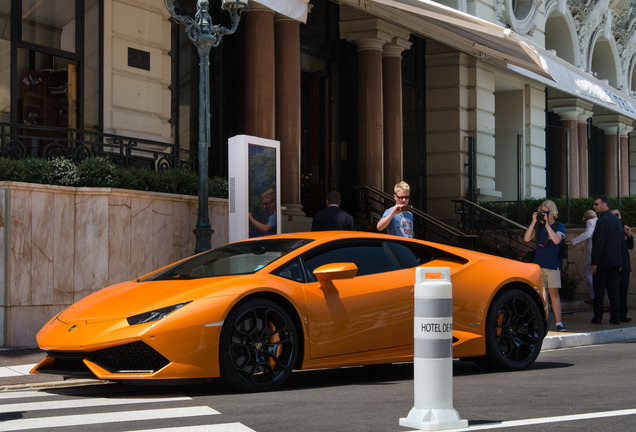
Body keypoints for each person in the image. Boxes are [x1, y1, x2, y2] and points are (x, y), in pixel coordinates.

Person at [524, 200, 567, 332]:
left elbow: (556, 240)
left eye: (546, 212)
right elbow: (526, 238)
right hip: (539, 265)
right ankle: (543, 321)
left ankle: (559, 323)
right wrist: (533, 221)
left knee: (554, 293)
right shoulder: (538, 226)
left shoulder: (559, 226)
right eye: (542, 211)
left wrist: (547, 224)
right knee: (543, 295)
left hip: (552, 264)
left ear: (552, 212)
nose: (544, 214)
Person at [589, 195, 623, 325]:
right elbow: (620, 243)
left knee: (599, 291)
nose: (594, 206)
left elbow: (598, 244)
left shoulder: (601, 221)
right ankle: (615, 317)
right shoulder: (617, 221)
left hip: (603, 263)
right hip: (615, 262)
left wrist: (594, 263)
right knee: (613, 290)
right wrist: (620, 262)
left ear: (605, 204)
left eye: (596, 204)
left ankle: (598, 317)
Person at [570, 209, 597, 305]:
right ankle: (595, 296)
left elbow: (588, 234)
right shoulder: (599, 221)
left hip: (592, 252)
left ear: (588, 218)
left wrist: (573, 241)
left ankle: (595, 297)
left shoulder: (590, 221)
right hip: (599, 252)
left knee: (587, 273)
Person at [610, 208, 633, 323]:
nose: (615, 217)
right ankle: (616, 315)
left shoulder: (624, 230)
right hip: (615, 265)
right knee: (615, 291)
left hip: (625, 265)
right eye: (613, 215)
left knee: (623, 291)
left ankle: (623, 314)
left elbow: (630, 246)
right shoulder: (611, 230)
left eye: (617, 215)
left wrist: (629, 235)